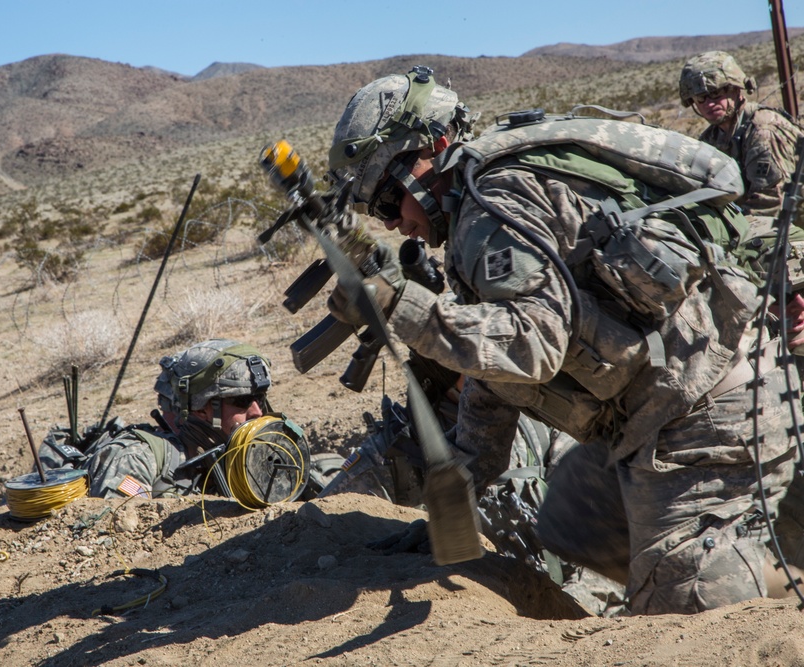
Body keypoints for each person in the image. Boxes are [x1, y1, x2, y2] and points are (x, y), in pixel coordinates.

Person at [324, 66, 801, 615]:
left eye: (387, 199)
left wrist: (399, 307)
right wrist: (446, 520)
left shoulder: (490, 206)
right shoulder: (479, 209)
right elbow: (494, 383)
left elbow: (532, 346)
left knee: (686, 609)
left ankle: (747, 597)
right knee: (573, 522)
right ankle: (761, 574)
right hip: (665, 412)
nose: (391, 223)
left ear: (429, 150)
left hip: (707, 407)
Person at [40, 338, 297, 499]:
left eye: (260, 398)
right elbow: (120, 527)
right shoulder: (137, 458)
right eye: (241, 401)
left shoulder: (267, 451)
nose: (257, 412)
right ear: (200, 408)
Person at [679, 50, 803, 219]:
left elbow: (769, 206)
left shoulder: (763, 131)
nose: (709, 103)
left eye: (715, 93)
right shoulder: (712, 138)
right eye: (701, 98)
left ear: (736, 89)